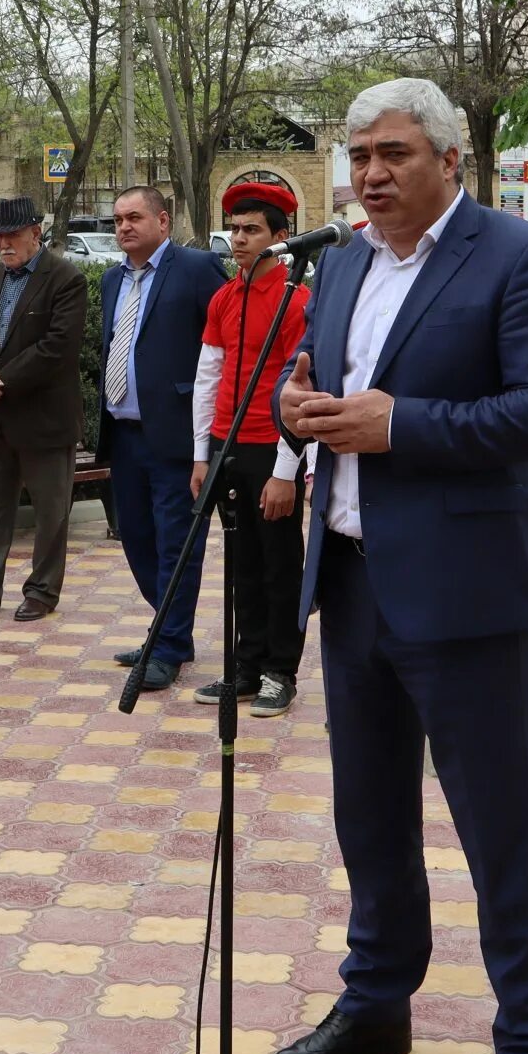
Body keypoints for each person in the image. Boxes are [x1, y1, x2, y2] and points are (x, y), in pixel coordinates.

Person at [272, 77, 528, 1054]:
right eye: (360, 156)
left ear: (450, 159)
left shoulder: (517, 254)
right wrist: (295, 407)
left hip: (463, 593)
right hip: (352, 579)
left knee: (497, 833)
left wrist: (402, 426)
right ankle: (376, 1003)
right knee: (369, 817)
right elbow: (324, 381)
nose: (371, 175)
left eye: (394, 154)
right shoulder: (346, 258)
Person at [97, 185, 226, 691]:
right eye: (118, 220)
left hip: (176, 436)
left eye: (134, 217)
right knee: (136, 538)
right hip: (125, 434)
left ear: (163, 221)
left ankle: (169, 644)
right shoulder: (111, 281)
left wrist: (208, 433)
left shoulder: (195, 270)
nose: (124, 226)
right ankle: (171, 628)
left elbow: (220, 343)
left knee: (177, 543)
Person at [190, 181, 310, 717]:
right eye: (233, 229)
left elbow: (302, 390)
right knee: (240, 560)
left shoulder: (296, 300)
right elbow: (206, 378)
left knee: (280, 563)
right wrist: (202, 454)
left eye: (251, 230)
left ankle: (279, 670)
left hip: (273, 447)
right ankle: (245, 664)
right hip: (226, 444)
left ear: (281, 237)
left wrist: (287, 469)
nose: (237, 239)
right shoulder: (223, 297)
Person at [0, 195, 87, 619]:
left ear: (35, 233)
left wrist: (1, 381)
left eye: (12, 235)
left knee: (50, 517)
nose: (4, 243)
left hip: (44, 420)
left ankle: (41, 593)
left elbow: (57, 348)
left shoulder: (66, 279)